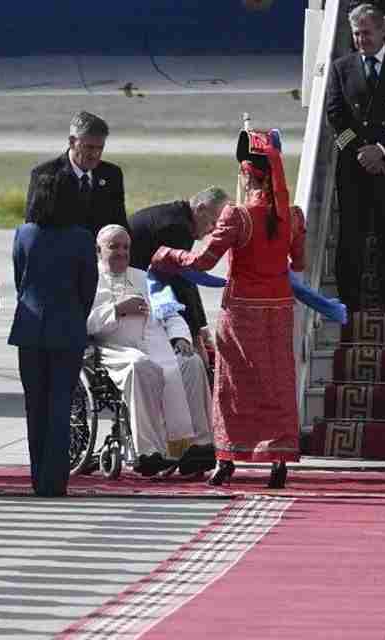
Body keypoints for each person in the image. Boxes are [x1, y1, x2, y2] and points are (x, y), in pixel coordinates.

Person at [150, 129, 306, 489]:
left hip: (241, 312)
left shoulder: (238, 216)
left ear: (246, 174)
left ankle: (227, 457)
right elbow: (298, 263)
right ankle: (278, 459)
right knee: (277, 382)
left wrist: (167, 254)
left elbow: (202, 262)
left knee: (233, 385)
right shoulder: (293, 216)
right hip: (279, 310)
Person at [88, 225, 216, 478]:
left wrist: (179, 337)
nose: (122, 252)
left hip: (158, 344)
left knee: (191, 363)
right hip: (115, 348)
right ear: (98, 250)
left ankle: (197, 447)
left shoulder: (144, 277)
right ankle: (148, 451)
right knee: (140, 365)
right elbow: (85, 324)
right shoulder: (90, 279)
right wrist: (117, 309)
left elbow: (170, 312)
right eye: (114, 247)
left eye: (126, 247)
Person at [326, 2, 385, 314]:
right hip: (353, 168)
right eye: (356, 34)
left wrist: (380, 151)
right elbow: (335, 116)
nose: (360, 40)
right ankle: (349, 304)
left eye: (366, 33)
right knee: (350, 239)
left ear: (382, 30)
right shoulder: (342, 67)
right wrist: (361, 152)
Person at [8, 187, 97, 497]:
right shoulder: (82, 238)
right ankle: (54, 480)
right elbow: (88, 287)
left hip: (30, 328)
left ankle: (37, 478)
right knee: (60, 405)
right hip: (67, 327)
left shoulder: (24, 234)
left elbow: (21, 279)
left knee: (35, 406)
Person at [128, 187, 229, 345]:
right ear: (201, 209)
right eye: (213, 222)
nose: (213, 230)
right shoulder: (178, 227)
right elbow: (183, 285)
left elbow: (188, 277)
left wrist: (200, 325)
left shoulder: (180, 217)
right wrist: (196, 337)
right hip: (125, 281)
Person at [25, 111, 128, 236]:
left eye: (100, 148)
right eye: (89, 147)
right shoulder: (46, 175)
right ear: (72, 142)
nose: (95, 154)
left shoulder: (112, 175)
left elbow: (119, 225)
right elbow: (34, 232)